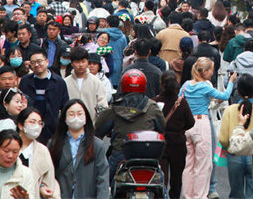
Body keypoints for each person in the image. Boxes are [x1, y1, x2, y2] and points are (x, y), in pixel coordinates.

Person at [181, 58, 238, 199]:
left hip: (186, 125)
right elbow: (224, 96)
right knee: (203, 165)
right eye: (211, 70)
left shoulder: (186, 85)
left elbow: (180, 99)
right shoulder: (205, 86)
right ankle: (200, 196)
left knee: (189, 164)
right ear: (205, 71)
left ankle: (188, 195)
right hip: (201, 124)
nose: (213, 73)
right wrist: (231, 82)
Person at [94, 69, 165, 179]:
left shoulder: (114, 108)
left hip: (120, 155)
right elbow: (162, 129)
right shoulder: (153, 107)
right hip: (147, 157)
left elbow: (98, 131)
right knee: (160, 185)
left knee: (104, 183)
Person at [48, 100, 109, 199]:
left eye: (80, 114)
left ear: (86, 117)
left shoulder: (97, 145)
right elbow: (49, 175)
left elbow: (102, 177)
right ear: (64, 118)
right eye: (71, 114)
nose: (76, 117)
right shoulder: (54, 144)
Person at [219, 74, 253, 199]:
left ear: (238, 92)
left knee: (235, 194)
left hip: (235, 156)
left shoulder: (230, 110)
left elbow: (223, 139)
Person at [155, 71, 195, 199]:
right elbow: (190, 122)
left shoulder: (154, 102)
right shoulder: (181, 103)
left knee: (162, 176)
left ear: (162, 84)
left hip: (160, 143)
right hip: (178, 144)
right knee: (176, 179)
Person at [19, 51, 69, 145]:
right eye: (33, 63)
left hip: (51, 129)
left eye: (39, 61)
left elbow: (65, 107)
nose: (36, 65)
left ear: (47, 61)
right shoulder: (25, 81)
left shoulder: (59, 82)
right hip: (30, 127)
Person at [15, 107, 59, 199]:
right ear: (20, 125)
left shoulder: (43, 151)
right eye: (32, 122)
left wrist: (42, 187)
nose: (37, 126)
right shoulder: (7, 146)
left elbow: (49, 181)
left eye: (40, 123)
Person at [65, 47, 107, 119]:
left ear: (87, 62)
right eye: (77, 62)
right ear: (71, 63)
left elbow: (102, 104)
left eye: (83, 61)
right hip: (70, 123)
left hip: (91, 124)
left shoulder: (96, 82)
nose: (81, 65)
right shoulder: (65, 82)